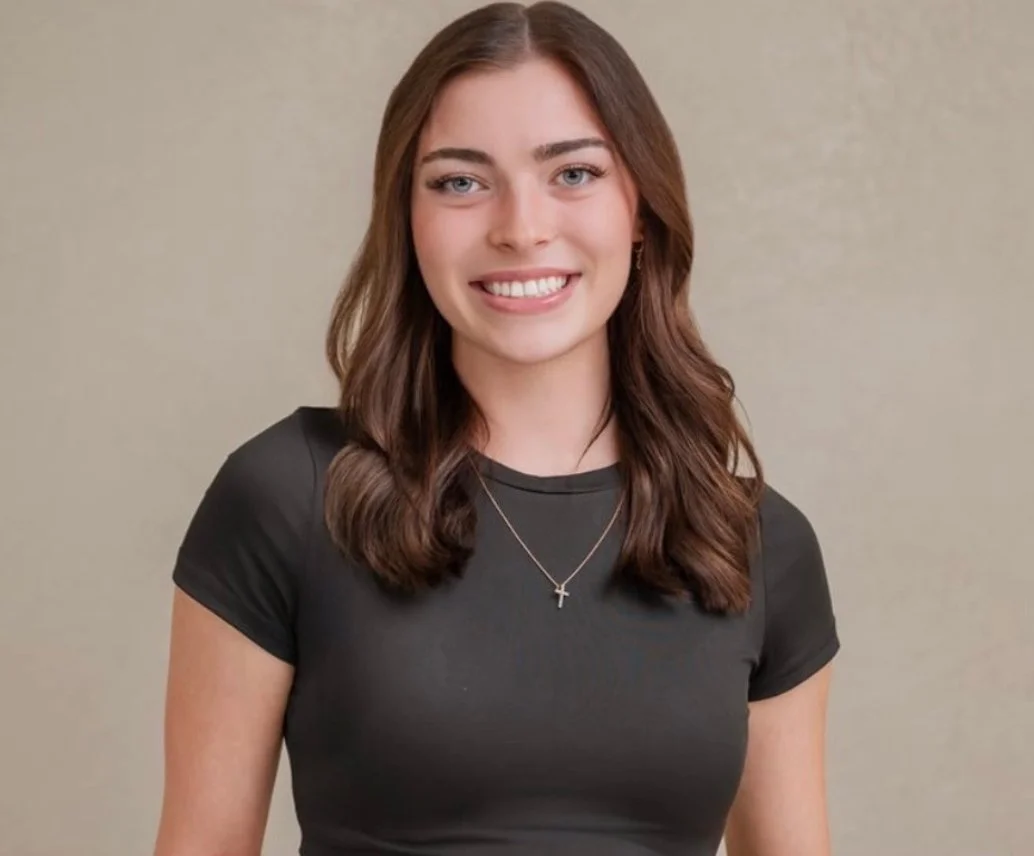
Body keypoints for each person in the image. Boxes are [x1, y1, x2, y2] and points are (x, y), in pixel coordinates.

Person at [153, 3, 840, 855]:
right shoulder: (288, 497)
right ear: (406, 218)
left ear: (640, 209)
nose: (520, 228)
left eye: (573, 173)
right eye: (460, 182)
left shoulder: (758, 544)